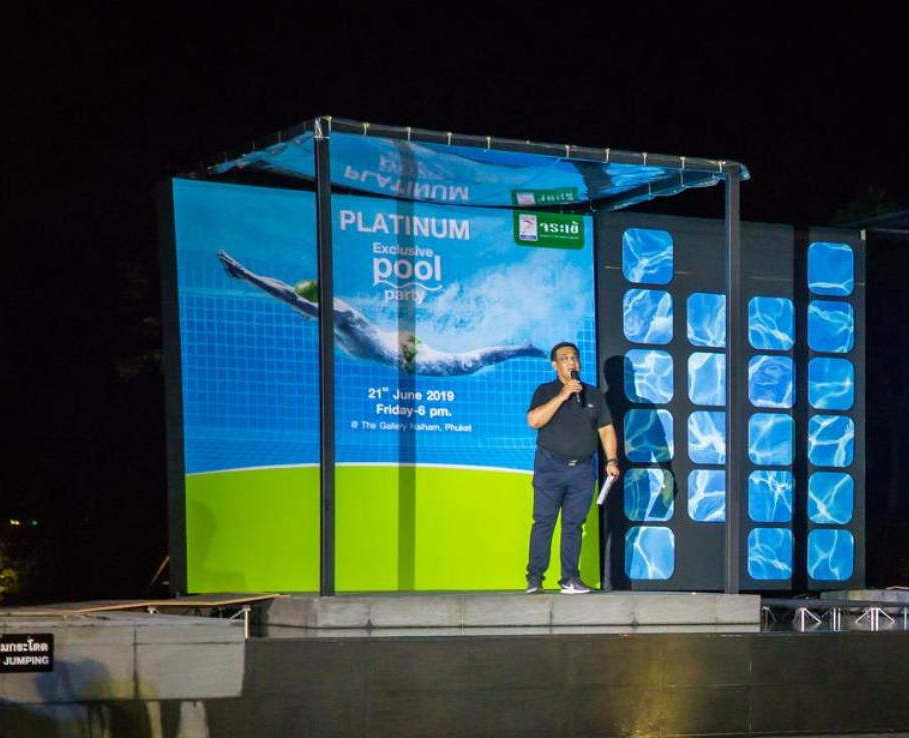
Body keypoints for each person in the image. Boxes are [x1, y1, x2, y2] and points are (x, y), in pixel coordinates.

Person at [216, 250, 542, 375]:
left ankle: (521, 348)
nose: (303, 312)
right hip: (392, 344)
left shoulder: (337, 314)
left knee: (462, 365)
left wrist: (247, 274)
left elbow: (290, 297)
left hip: (399, 352)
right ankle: (520, 348)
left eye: (307, 307)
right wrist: (250, 277)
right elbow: (287, 291)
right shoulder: (326, 311)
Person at [525, 343, 620, 593]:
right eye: (565, 358)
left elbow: (606, 429)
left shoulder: (594, 395)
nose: (571, 362)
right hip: (550, 467)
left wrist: (611, 460)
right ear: (555, 365)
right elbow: (534, 421)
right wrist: (562, 395)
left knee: (574, 525)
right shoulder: (545, 391)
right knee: (544, 522)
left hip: (583, 469)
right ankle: (535, 579)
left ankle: (569, 578)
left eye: (574, 358)